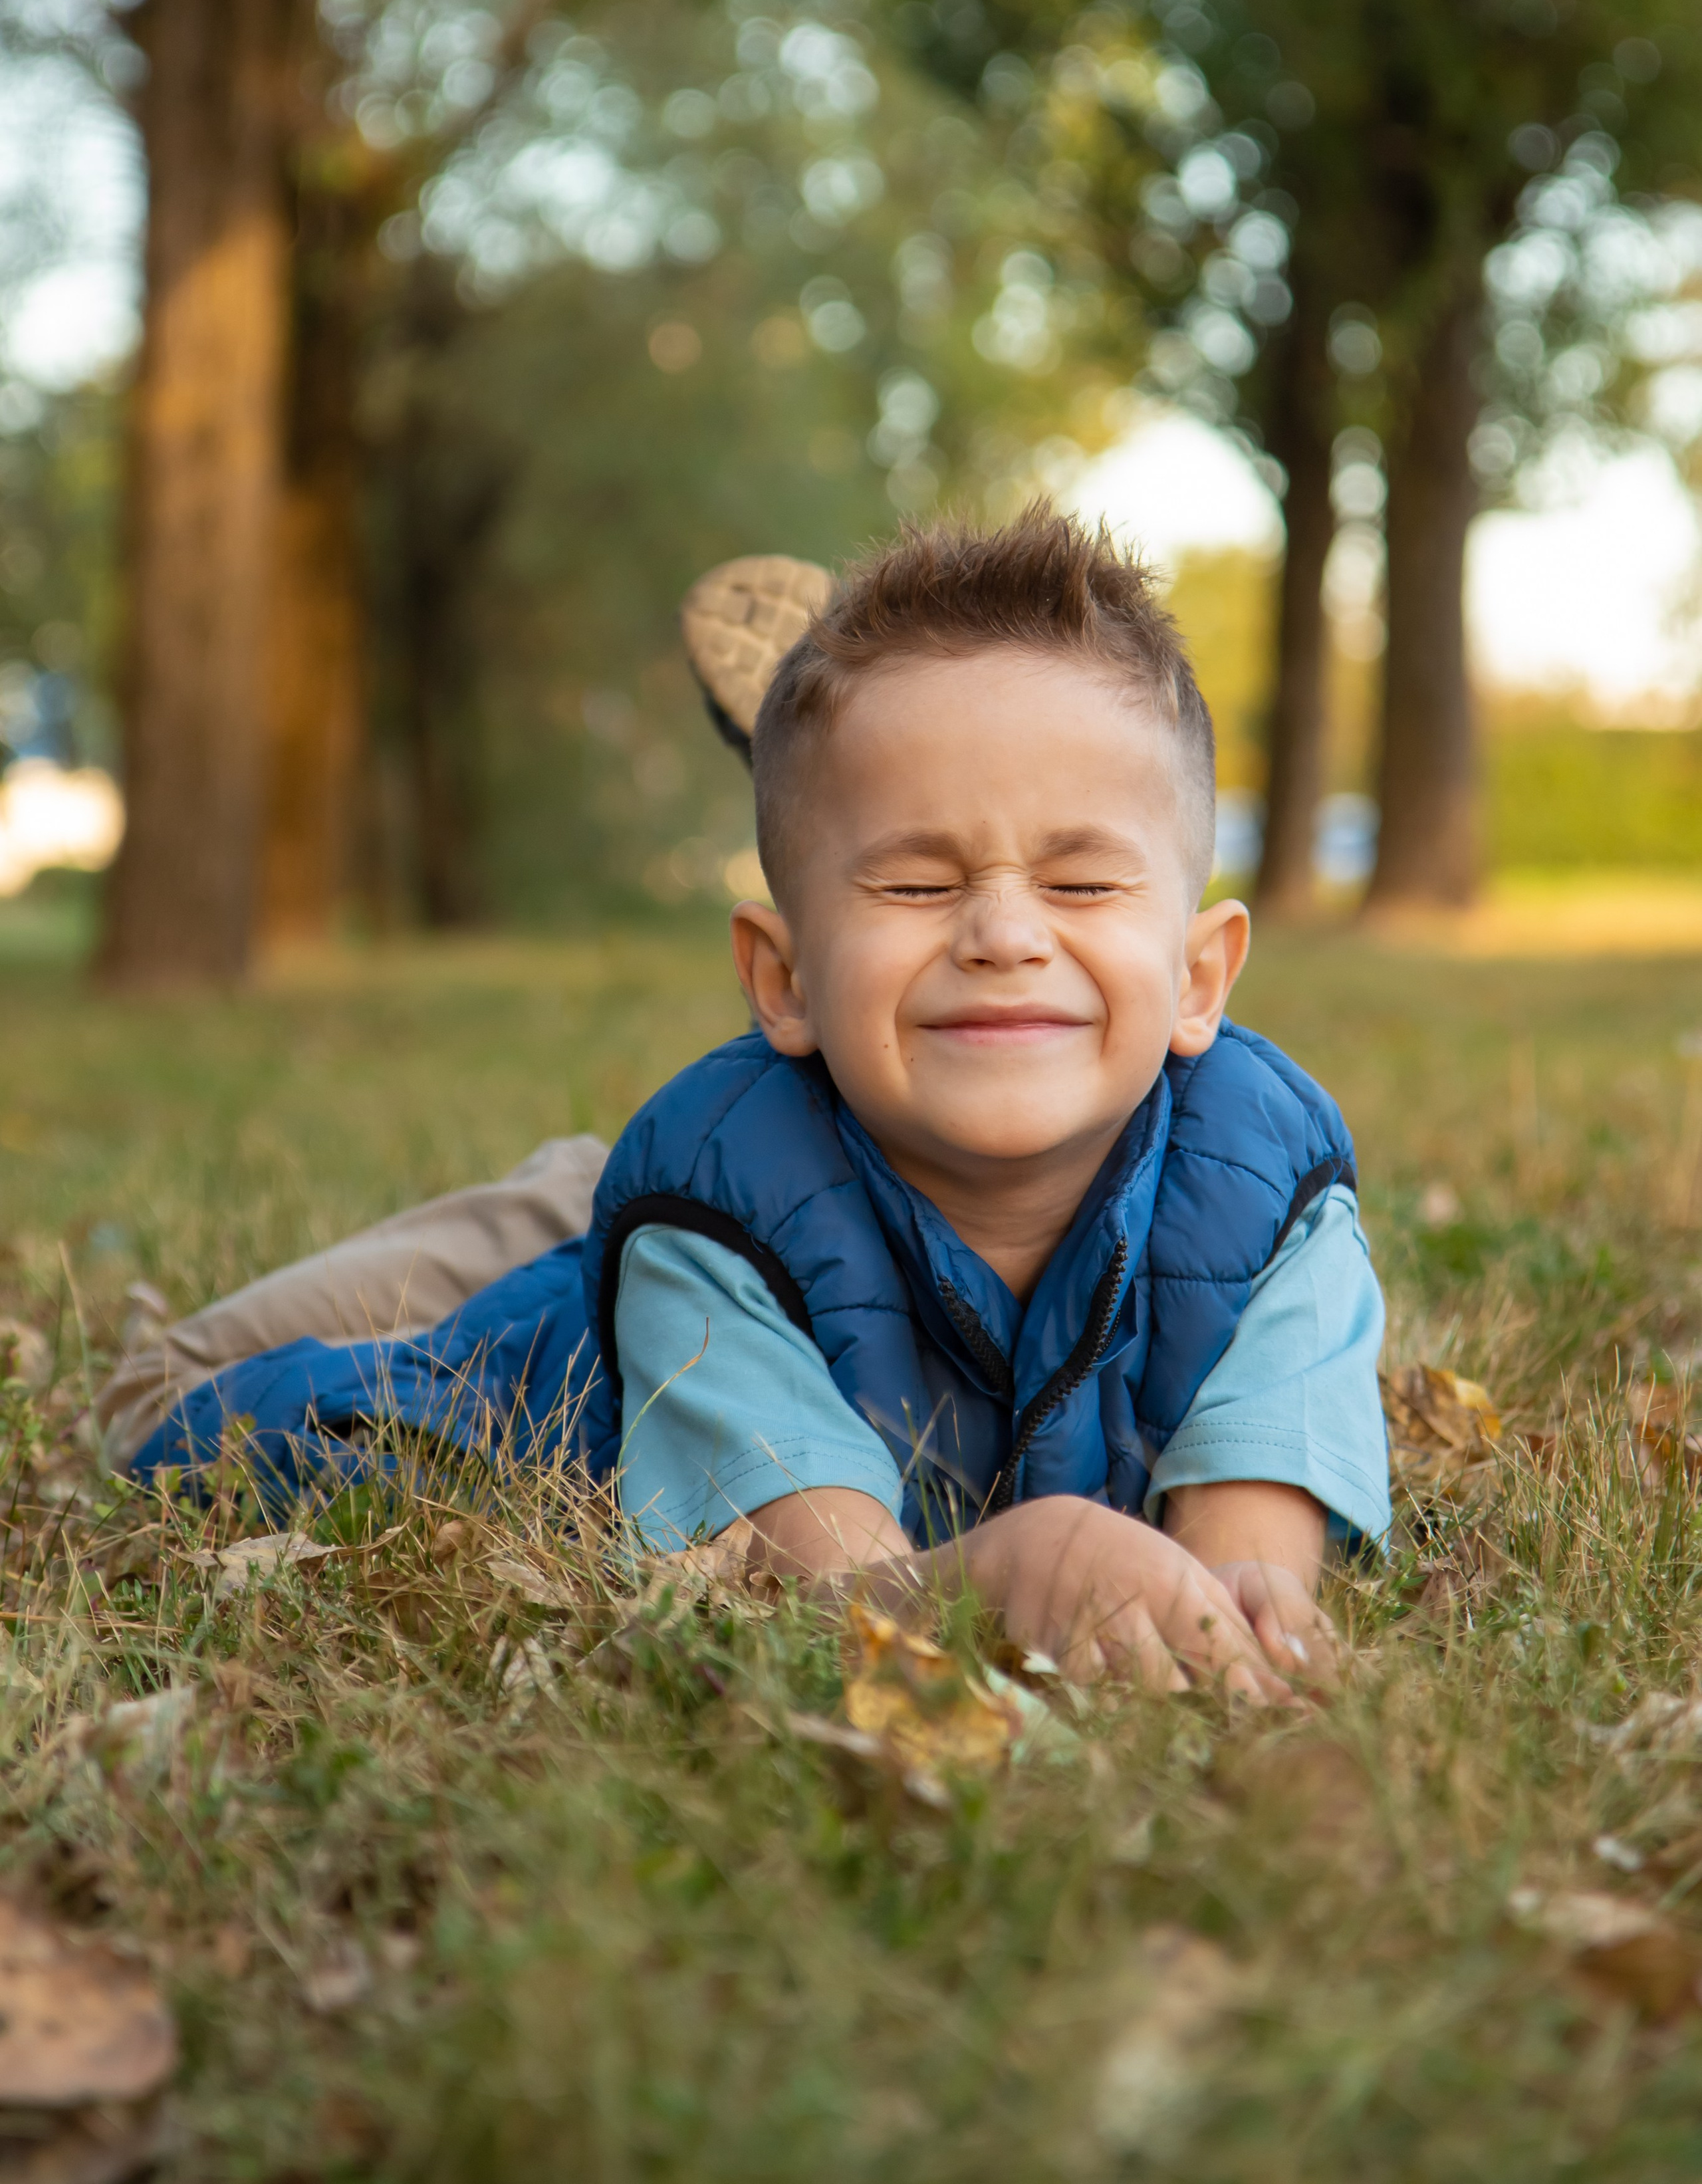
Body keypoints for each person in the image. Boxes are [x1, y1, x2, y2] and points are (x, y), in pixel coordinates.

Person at [113, 513, 1388, 1698]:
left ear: (1200, 979)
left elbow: (1242, 1579)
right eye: (917, 885)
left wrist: (1241, 1612)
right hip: (623, 1313)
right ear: (778, 982)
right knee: (159, 1408)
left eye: (1084, 884)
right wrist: (1015, 1565)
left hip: (770, 1184)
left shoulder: (1275, 1201)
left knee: (733, 1158)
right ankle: (585, 1202)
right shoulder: (711, 1239)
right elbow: (825, 1603)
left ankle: (838, 813)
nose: (1006, 934)